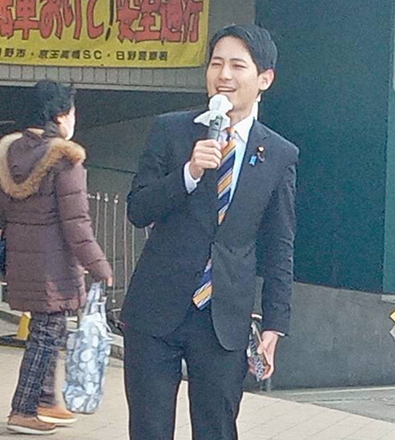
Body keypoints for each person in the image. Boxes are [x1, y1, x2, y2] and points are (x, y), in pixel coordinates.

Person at [120, 24, 297, 440]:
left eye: (238, 65)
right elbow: (138, 208)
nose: (224, 75)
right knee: (148, 429)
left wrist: (275, 323)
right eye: (216, 63)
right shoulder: (171, 129)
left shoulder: (279, 153)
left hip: (223, 317)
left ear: (264, 79)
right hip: (155, 310)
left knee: (217, 429)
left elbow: (279, 245)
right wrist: (189, 172)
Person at [0, 79, 113, 435]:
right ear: (60, 115)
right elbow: (76, 223)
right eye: (72, 111)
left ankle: (46, 400)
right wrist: (99, 265)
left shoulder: (9, 154)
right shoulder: (66, 161)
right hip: (53, 267)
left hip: (23, 263)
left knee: (47, 330)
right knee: (46, 334)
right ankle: (23, 408)